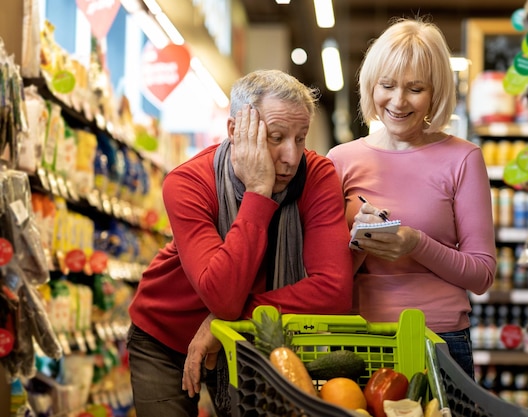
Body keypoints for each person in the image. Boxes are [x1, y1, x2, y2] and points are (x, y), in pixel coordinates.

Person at [127, 69, 353, 417]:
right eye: (276, 137)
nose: (291, 157)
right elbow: (222, 296)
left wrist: (223, 324)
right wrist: (259, 192)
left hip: (251, 340)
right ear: (235, 131)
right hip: (166, 335)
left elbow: (334, 292)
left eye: (301, 138)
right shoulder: (187, 182)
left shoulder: (318, 175)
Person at [326, 17, 496, 380]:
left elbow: (482, 274)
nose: (398, 101)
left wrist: (414, 243)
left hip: (439, 337)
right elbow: (322, 274)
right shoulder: (340, 160)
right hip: (357, 336)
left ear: (436, 92)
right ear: (371, 85)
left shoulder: (463, 158)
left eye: (415, 88)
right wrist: (360, 243)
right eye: (387, 86)